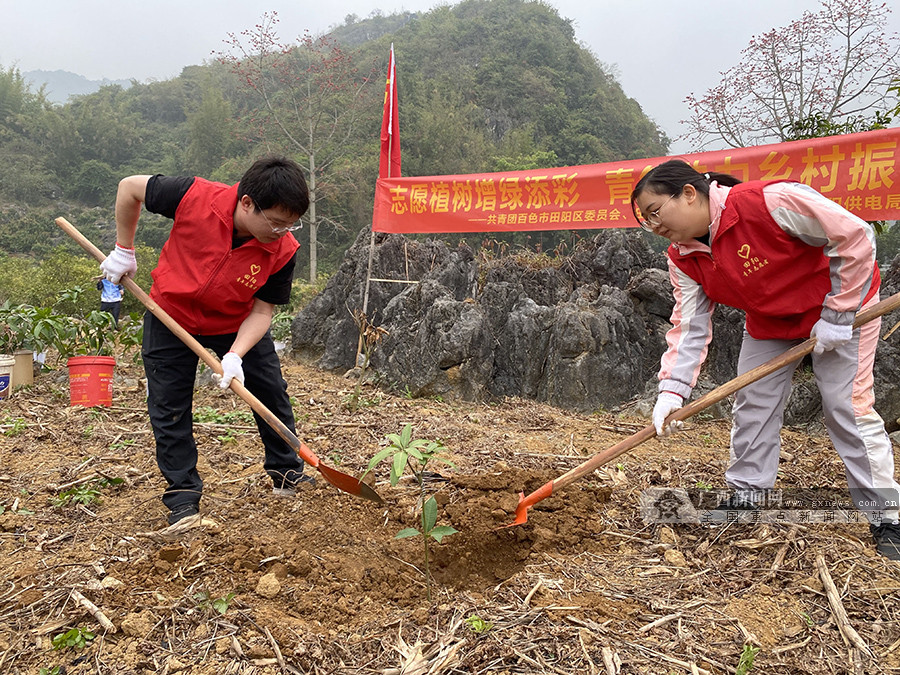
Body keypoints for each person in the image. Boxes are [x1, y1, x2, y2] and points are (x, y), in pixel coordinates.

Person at [630, 159, 900, 561]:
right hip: (770, 321)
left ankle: (886, 517)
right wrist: (672, 390)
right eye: (645, 221)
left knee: (848, 408)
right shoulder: (683, 257)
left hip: (842, 309)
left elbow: (854, 235)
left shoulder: (769, 202)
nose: (654, 226)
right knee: (753, 404)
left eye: (655, 212)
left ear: (689, 193)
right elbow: (689, 326)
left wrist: (839, 313)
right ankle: (748, 495)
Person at [98, 155, 315, 526]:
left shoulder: (283, 249)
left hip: (236, 320)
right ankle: (182, 497)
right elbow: (130, 187)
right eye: (276, 223)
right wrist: (124, 249)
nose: (282, 233)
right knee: (169, 408)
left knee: (270, 392)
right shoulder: (193, 196)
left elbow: (262, 312)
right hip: (171, 314)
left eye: (290, 225)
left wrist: (236, 355)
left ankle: (287, 472)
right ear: (246, 202)